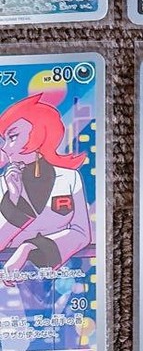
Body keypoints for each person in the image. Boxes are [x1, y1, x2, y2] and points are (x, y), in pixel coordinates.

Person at [0, 94, 92, 277]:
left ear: (39, 133)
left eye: (13, 137)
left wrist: (29, 247)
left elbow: (82, 233)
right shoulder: (4, 182)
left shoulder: (70, 178)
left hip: (61, 273)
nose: (5, 148)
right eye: (5, 140)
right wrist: (13, 198)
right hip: (7, 276)